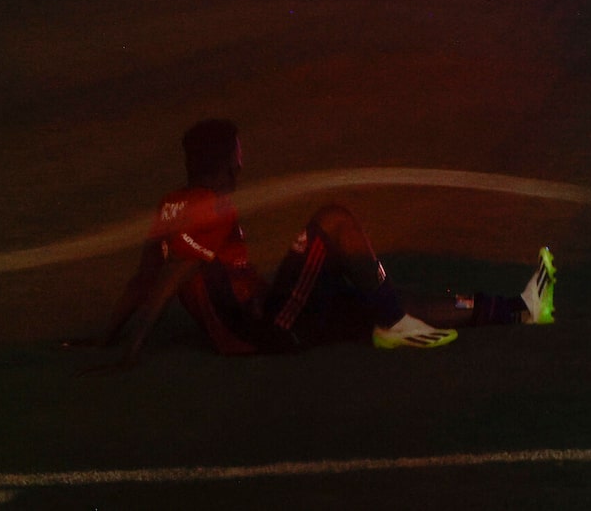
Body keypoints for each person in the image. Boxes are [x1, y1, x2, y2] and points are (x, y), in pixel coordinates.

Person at [89, 119, 554, 364]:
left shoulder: (172, 204)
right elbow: (172, 276)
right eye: (239, 152)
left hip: (264, 313)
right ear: (225, 162)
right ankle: (393, 323)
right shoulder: (210, 205)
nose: (243, 163)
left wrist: (105, 340)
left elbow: (142, 277)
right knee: (332, 221)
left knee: (387, 297)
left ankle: (521, 309)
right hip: (265, 328)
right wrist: (131, 354)